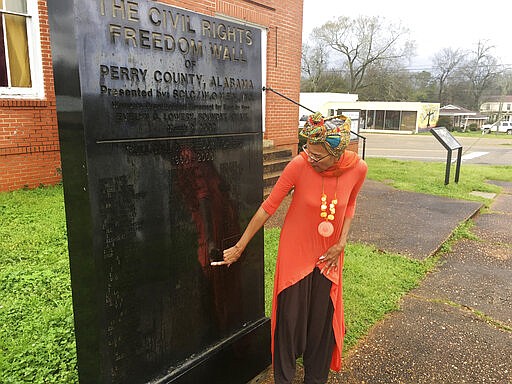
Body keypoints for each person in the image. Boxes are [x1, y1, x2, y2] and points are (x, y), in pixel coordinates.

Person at [212, 112, 368, 383]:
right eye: (307, 150)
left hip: (328, 256)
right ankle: (284, 379)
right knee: (289, 321)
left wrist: (341, 243)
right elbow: (268, 207)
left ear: (337, 152)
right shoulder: (299, 164)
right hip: (295, 252)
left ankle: (315, 379)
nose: (310, 157)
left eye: (317, 155)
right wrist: (239, 247)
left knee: (321, 323)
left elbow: (350, 205)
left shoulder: (358, 169)